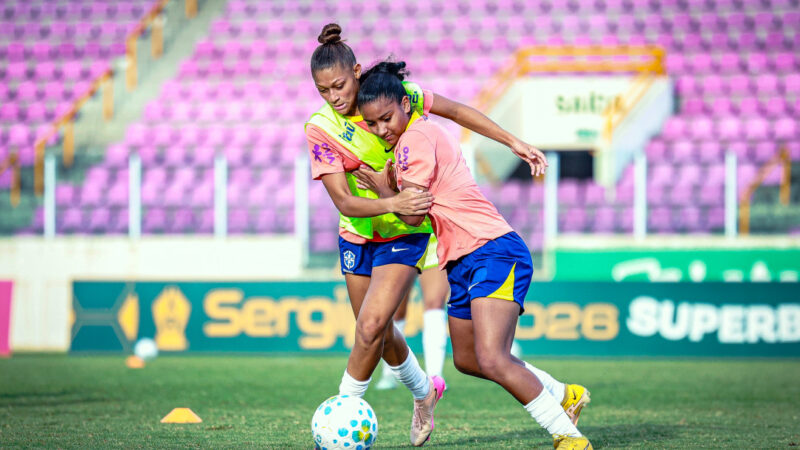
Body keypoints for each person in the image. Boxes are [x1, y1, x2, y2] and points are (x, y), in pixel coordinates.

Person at [305, 23, 549, 446]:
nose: (334, 97)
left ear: (357, 72)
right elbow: (344, 203)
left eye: (340, 86)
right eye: (323, 91)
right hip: (358, 232)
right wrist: (388, 201)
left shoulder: (399, 94)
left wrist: (512, 141)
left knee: (370, 327)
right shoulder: (320, 130)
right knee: (377, 336)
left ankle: (339, 420)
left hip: (407, 229)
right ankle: (424, 392)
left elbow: (455, 111)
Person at [354, 60, 592, 449]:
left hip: (493, 249)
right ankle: (564, 394)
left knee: (494, 357)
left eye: (386, 118)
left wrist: (383, 191)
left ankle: (569, 438)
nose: (382, 130)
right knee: (468, 359)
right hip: (462, 260)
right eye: (373, 124)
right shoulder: (408, 140)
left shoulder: (416, 138)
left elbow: (412, 214)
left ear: (405, 104)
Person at [373, 246, 449, 390]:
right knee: (396, 309)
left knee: (435, 304)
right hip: (402, 241)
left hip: (434, 242)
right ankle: (390, 373)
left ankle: (435, 376)